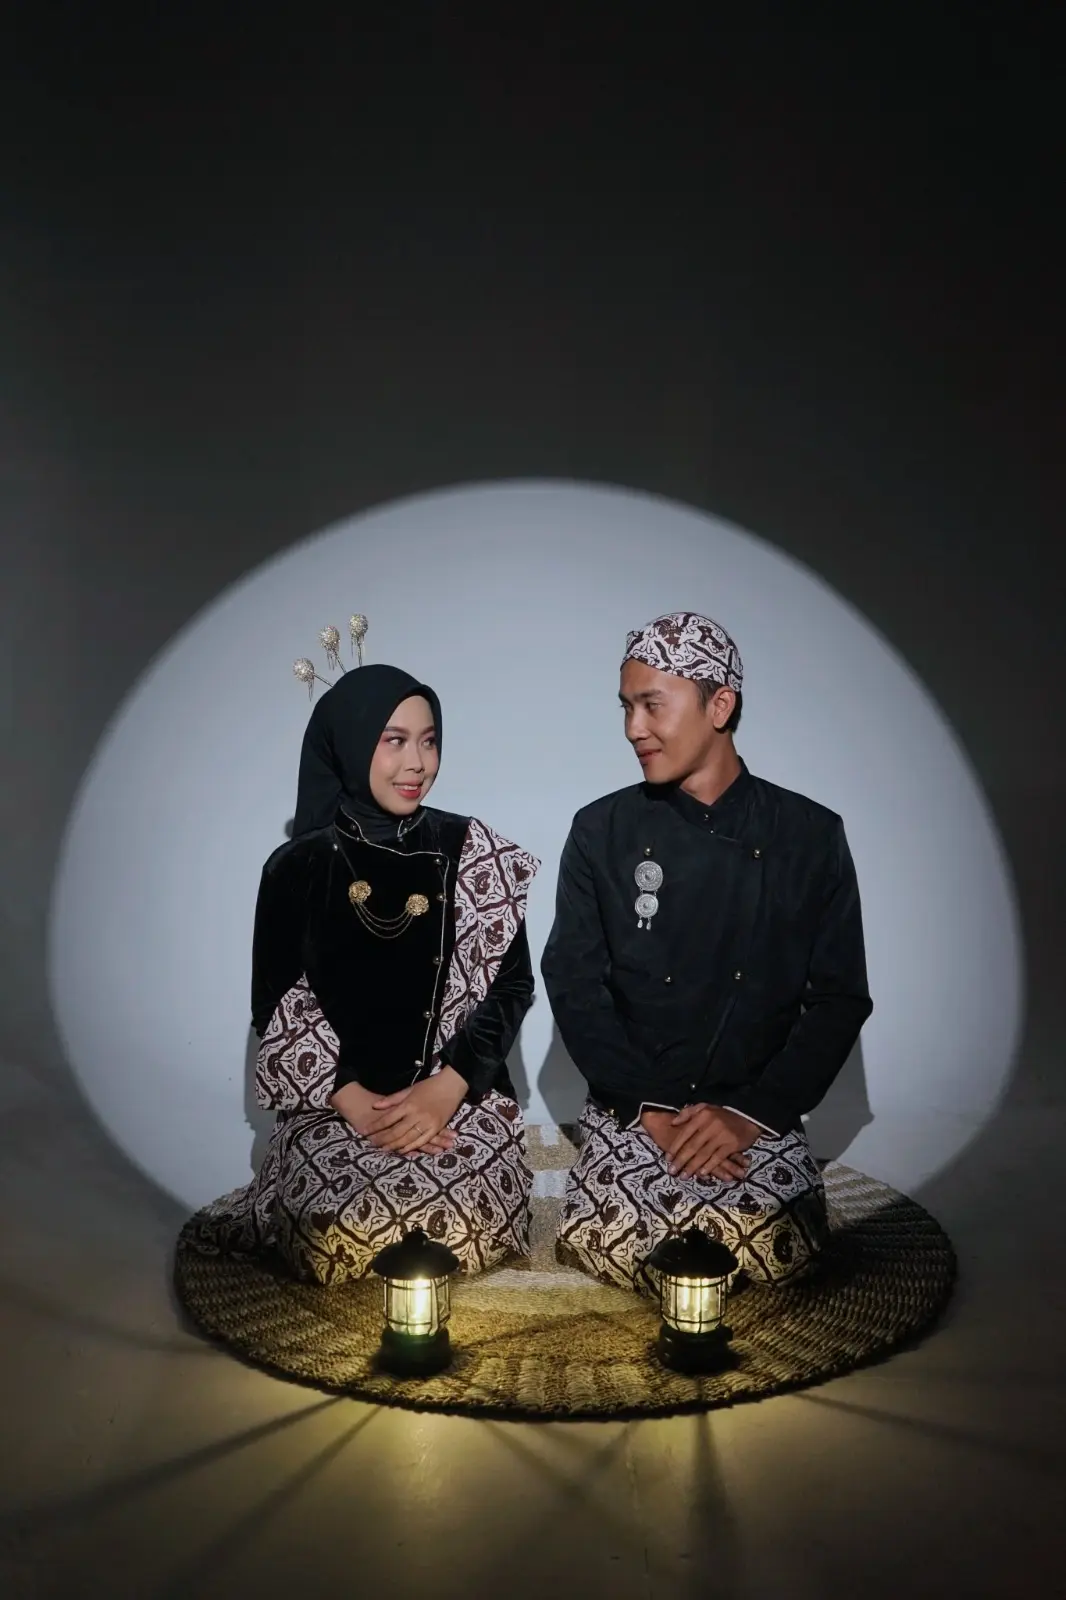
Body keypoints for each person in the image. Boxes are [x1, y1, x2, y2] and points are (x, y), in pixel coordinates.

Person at [541, 611, 873, 1293]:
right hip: (635, 1106)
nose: (633, 728)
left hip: (756, 1110)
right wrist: (650, 1106)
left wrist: (750, 1114)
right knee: (622, 1240)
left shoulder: (810, 835)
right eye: (626, 707)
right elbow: (574, 981)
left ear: (719, 705)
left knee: (770, 1245)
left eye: (652, 705)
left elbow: (838, 997)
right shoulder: (600, 830)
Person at [188, 660, 539, 1285]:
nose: (417, 763)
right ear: (350, 745)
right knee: (339, 1227)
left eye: (429, 741)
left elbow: (511, 985)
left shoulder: (473, 851)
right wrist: (358, 1106)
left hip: (458, 1099)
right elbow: (275, 1005)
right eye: (394, 741)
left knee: (460, 1221)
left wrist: (446, 1089)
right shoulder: (296, 867)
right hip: (333, 1106)